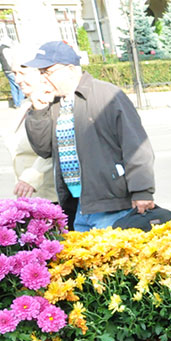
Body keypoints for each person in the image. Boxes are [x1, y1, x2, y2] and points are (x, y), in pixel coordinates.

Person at [24, 41, 155, 232]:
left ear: (70, 69)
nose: (42, 79)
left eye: (48, 72)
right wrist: (39, 112)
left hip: (111, 204)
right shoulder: (53, 102)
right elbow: (44, 150)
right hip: (78, 205)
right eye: (40, 73)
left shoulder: (107, 95)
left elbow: (136, 145)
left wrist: (142, 190)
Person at [4, 64, 57, 203]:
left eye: (22, 73)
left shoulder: (54, 103)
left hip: (53, 198)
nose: (17, 79)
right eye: (15, 73)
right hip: (30, 196)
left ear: (41, 72)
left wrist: (31, 178)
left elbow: (57, 146)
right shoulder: (27, 104)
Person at [0, 38, 22, 108]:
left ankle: (16, 103)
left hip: (5, 70)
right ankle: (20, 103)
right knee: (21, 86)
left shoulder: (1, 49)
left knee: (13, 87)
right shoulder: (6, 49)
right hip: (11, 70)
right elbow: (10, 60)